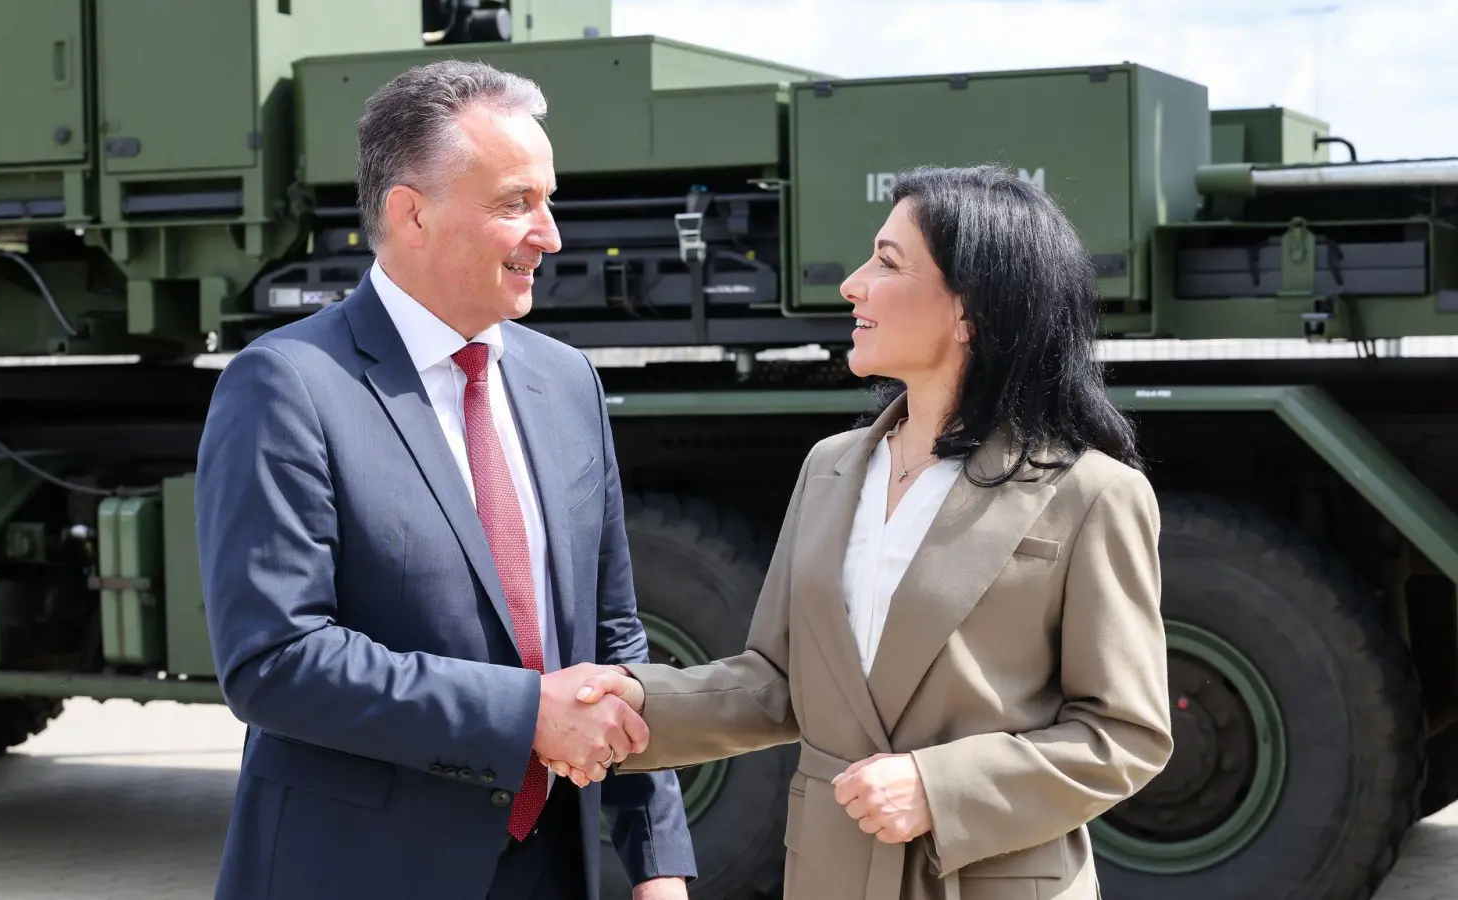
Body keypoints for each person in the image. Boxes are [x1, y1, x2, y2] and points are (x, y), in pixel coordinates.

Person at [552, 165, 1174, 900]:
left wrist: (940, 789)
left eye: (887, 262)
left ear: (969, 308)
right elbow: (780, 682)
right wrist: (632, 702)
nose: (852, 285)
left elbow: (1123, 735)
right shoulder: (829, 468)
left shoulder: (1093, 494)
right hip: (832, 874)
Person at [194, 60, 695, 900]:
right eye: (515, 203)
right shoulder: (287, 385)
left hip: (550, 870)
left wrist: (657, 862)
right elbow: (274, 660)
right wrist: (525, 715)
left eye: (548, 200)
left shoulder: (568, 382)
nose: (550, 235)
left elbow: (613, 641)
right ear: (411, 214)